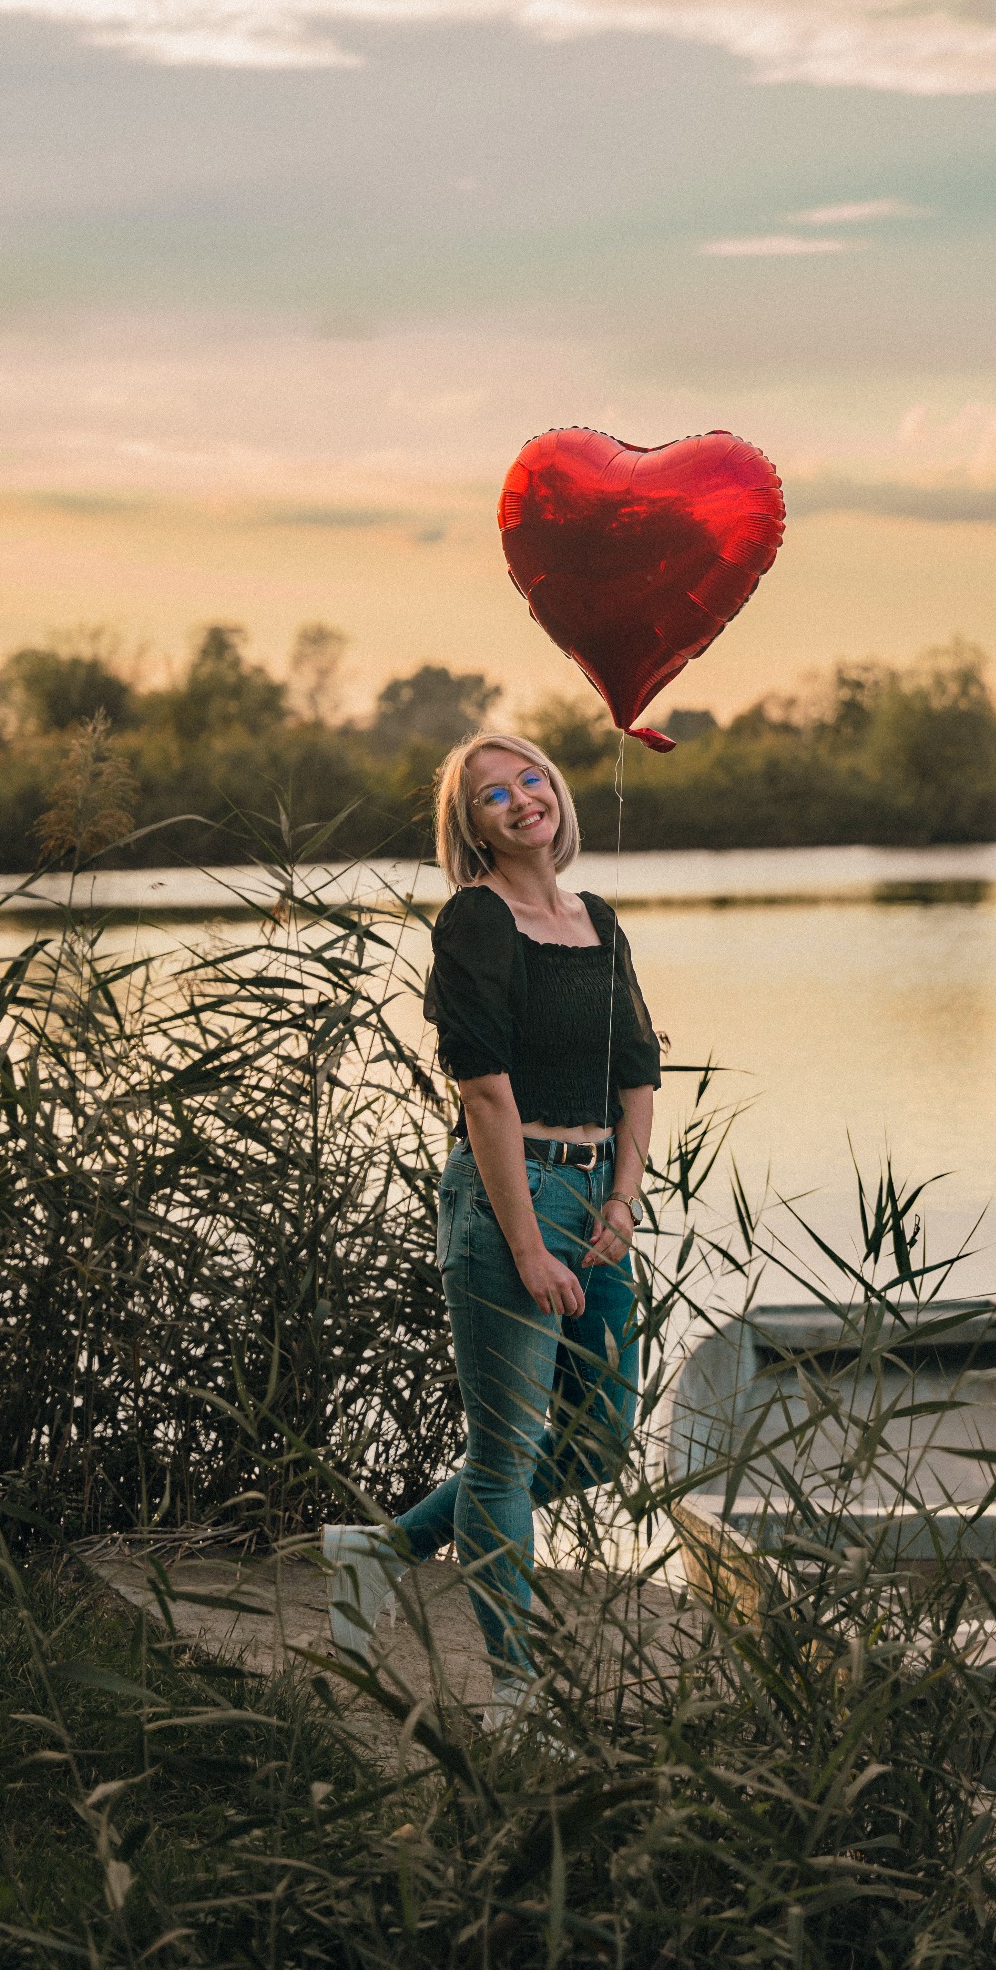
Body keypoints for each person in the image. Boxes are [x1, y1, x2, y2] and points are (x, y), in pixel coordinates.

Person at [323, 730, 660, 1723]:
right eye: (490, 795)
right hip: (512, 1194)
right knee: (506, 1451)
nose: (519, 799)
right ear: (470, 828)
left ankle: (383, 1549)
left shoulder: (596, 918)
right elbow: (482, 1089)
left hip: (599, 1195)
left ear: (555, 789)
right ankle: (514, 1700)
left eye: (529, 778)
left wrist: (623, 1199)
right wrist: (526, 1243)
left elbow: (639, 1069)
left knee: (598, 1441)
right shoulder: (476, 918)